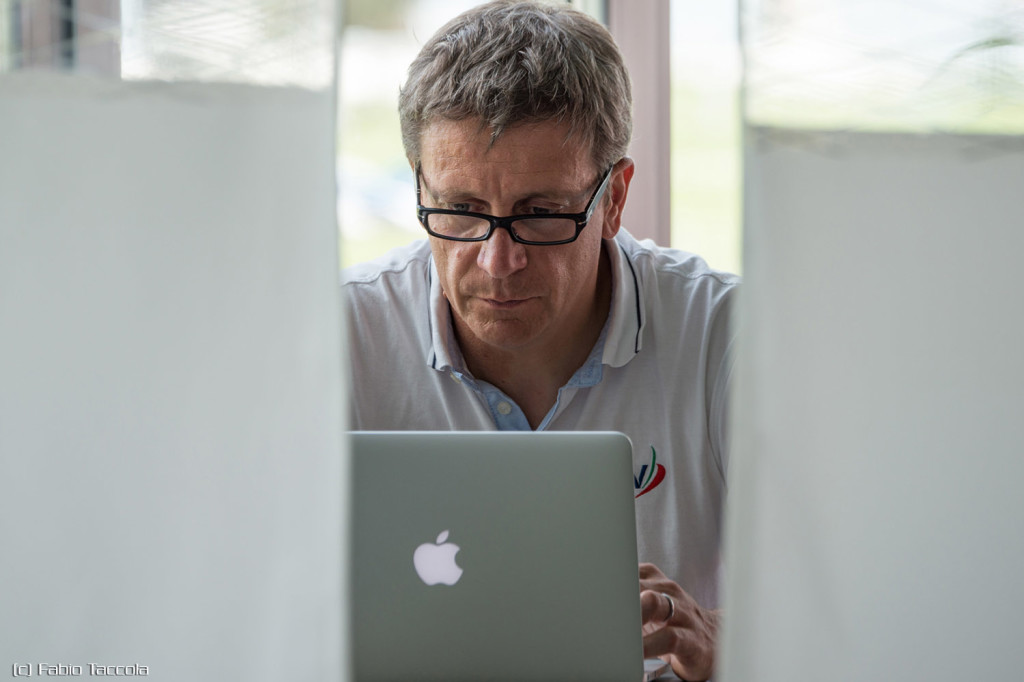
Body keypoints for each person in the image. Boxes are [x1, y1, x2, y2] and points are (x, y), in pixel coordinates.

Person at [341, 2, 738, 679]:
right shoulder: (340, 336)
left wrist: (728, 642)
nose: (497, 262)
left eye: (541, 213)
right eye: (461, 211)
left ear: (614, 199)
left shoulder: (727, 339)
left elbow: (843, 607)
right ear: (418, 186)